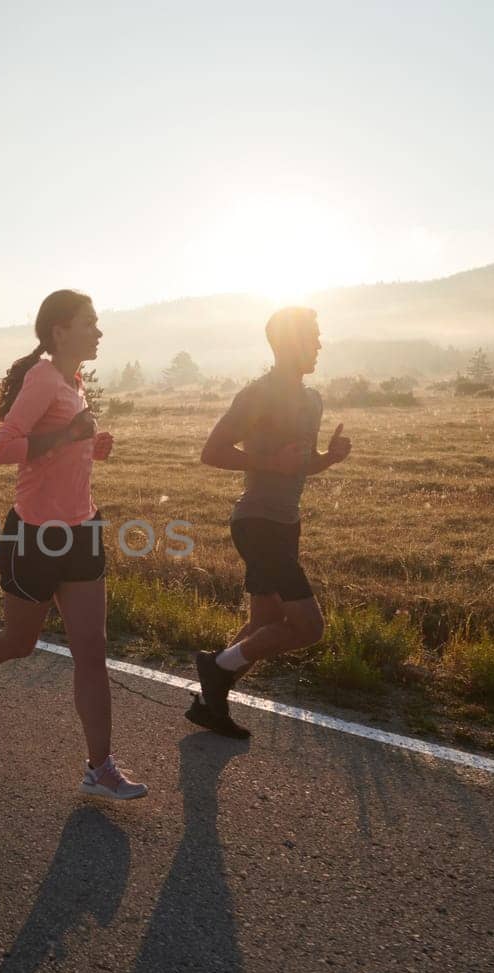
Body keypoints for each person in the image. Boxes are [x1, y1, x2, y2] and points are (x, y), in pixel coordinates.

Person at [0, 290, 146, 800]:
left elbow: (63, 450)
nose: (98, 331)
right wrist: (70, 435)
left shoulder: (72, 382)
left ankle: (100, 767)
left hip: (82, 530)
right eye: (89, 322)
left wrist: (91, 445)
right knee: (19, 643)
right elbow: (4, 449)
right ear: (59, 331)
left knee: (91, 650)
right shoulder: (43, 379)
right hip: (34, 536)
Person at [191, 306, 351, 737]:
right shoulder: (258, 394)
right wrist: (272, 464)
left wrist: (329, 459)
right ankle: (216, 666)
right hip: (256, 522)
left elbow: (300, 466)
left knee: (262, 624)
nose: (319, 343)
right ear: (288, 343)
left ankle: (209, 704)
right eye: (313, 336)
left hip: (286, 524)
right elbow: (212, 451)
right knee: (309, 628)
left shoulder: (312, 400)